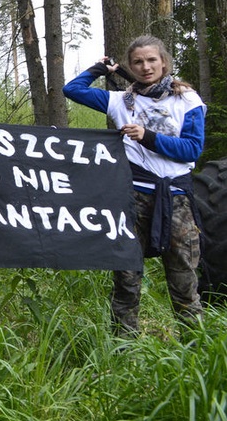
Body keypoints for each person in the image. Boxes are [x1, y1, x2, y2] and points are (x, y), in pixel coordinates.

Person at [63, 35, 206, 336]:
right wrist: (98, 69)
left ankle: (195, 350)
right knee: (126, 280)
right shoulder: (120, 101)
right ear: (130, 65)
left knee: (184, 282)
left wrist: (148, 136)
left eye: (152, 60)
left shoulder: (187, 100)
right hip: (131, 198)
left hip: (176, 199)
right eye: (138, 62)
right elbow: (72, 90)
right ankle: (125, 350)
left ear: (164, 62)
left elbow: (192, 149)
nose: (145, 67)